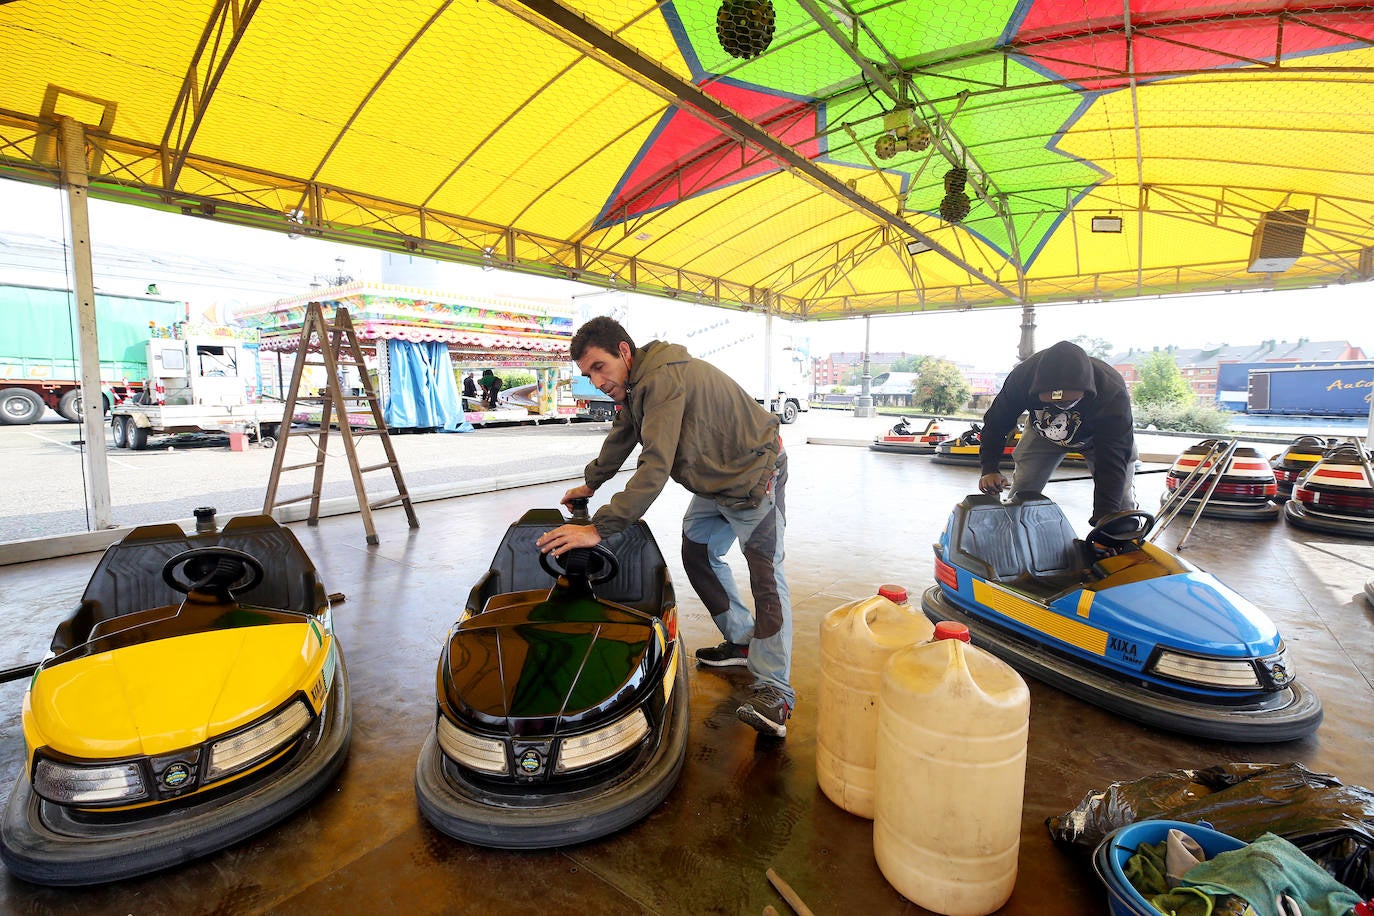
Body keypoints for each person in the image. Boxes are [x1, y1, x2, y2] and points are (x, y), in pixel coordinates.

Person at [535, 316, 794, 738]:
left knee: (765, 574)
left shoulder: (661, 380)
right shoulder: (636, 387)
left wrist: (599, 528)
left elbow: (654, 464)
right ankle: (743, 640)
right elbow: (623, 434)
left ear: (623, 351)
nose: (596, 381)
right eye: (587, 374)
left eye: (600, 367)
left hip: (753, 476)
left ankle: (776, 692)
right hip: (714, 479)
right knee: (697, 552)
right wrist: (592, 480)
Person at [977, 339, 1137, 525]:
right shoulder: (1022, 378)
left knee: (1120, 504)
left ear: (1086, 391)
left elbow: (1113, 459)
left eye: (1067, 402)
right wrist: (989, 468)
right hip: (1044, 432)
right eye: (1053, 402)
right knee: (1023, 491)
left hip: (1101, 438)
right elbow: (996, 422)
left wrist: (1104, 519)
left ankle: (1124, 538)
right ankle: (1013, 531)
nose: (1061, 406)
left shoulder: (1111, 391)